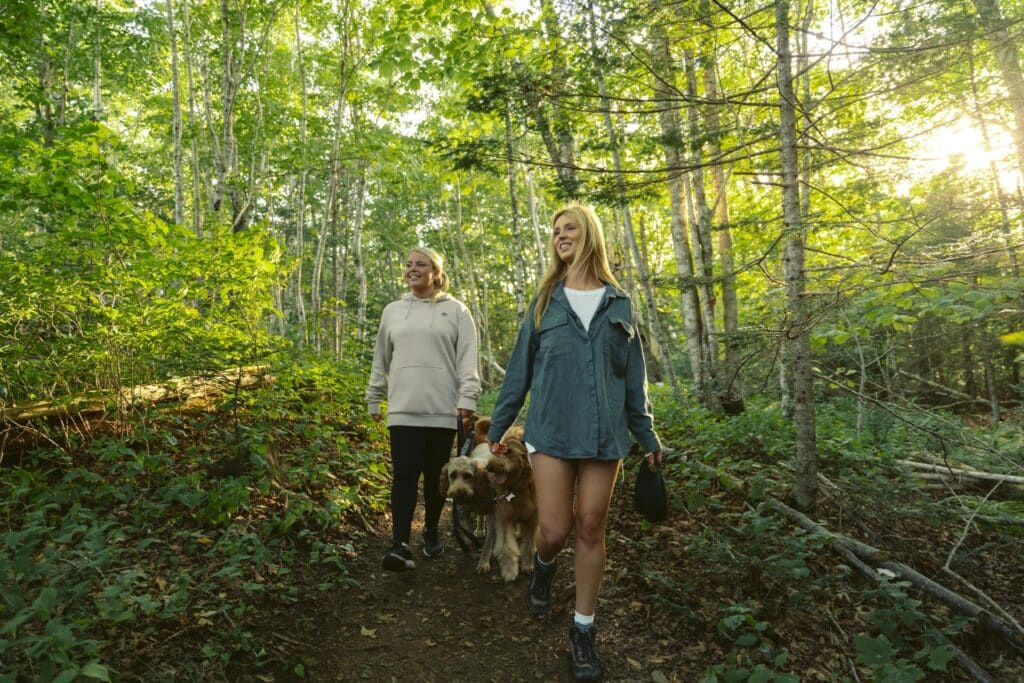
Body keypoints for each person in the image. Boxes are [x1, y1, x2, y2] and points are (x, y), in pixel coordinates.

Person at [487, 203, 663, 682]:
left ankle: (583, 630)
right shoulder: (546, 301)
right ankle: (543, 566)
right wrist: (496, 429)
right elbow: (519, 371)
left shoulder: (619, 303)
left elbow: (633, 380)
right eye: (556, 230)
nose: (561, 235)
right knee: (556, 530)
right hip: (552, 430)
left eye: (570, 228)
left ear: (590, 236)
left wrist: (646, 435)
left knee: (591, 526)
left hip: (606, 434)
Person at [367, 246, 480, 571]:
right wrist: (375, 396)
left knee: (435, 478)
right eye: (409, 264)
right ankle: (400, 543)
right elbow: (381, 358)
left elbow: (467, 357)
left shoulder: (456, 310)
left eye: (421, 264)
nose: (412, 269)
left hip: (443, 411)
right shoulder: (392, 311)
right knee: (403, 476)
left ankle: (431, 532)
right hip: (403, 409)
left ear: (436, 272)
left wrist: (467, 398)